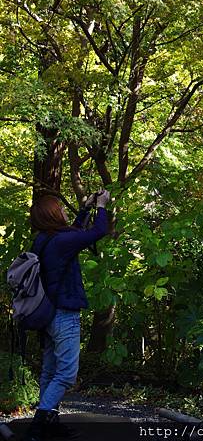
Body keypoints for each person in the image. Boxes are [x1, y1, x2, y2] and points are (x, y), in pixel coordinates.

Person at [22, 189, 111, 441]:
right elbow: (97, 232)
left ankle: (51, 424)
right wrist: (102, 206)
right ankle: (38, 425)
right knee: (66, 373)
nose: (63, 210)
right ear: (52, 214)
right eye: (59, 208)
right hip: (64, 315)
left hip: (47, 313)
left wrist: (85, 208)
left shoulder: (44, 239)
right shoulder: (60, 242)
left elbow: (73, 232)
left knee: (49, 371)